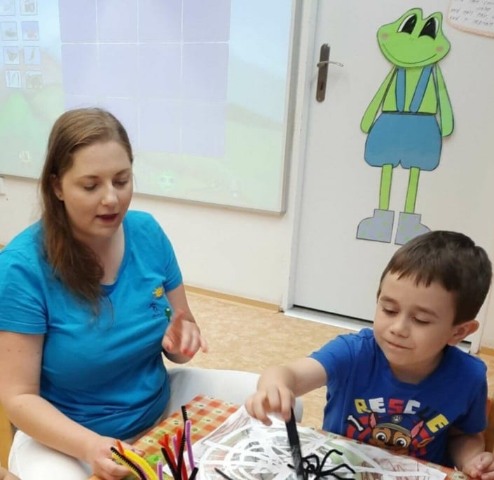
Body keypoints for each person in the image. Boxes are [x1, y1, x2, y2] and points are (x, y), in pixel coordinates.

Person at [0, 107, 208, 480]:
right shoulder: (22, 268)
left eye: (121, 180)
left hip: (157, 409)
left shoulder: (147, 233)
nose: (112, 199)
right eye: (91, 185)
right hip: (68, 439)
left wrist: (182, 339)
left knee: (273, 405)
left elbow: (180, 332)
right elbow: (18, 398)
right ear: (57, 187)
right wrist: (90, 446)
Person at [246, 231, 494, 478]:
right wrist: (274, 386)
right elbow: (289, 374)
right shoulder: (353, 352)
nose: (398, 328)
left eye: (421, 320)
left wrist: (472, 459)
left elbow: (463, 435)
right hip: (339, 470)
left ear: (458, 332)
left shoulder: (468, 377)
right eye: (389, 309)